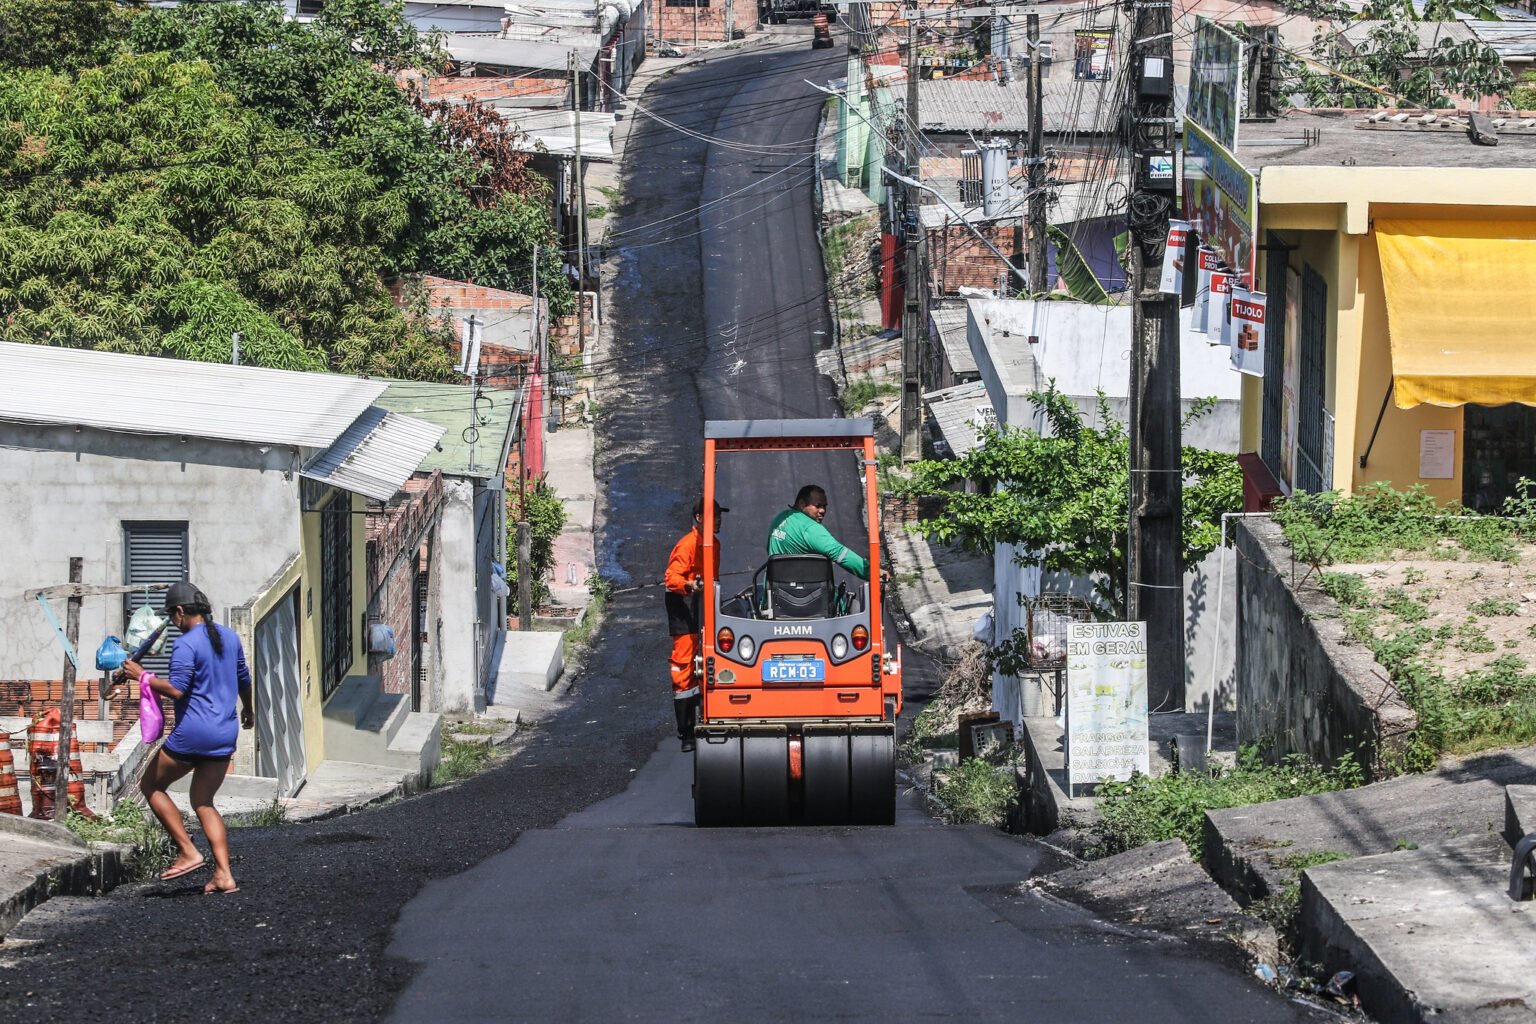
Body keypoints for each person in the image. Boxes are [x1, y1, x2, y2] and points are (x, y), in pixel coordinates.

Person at [122, 581, 253, 894]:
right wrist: (249, 710)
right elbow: (243, 678)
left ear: (180, 612)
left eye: (172, 615)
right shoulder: (230, 636)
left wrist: (142, 676)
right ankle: (224, 875)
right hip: (225, 731)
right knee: (203, 801)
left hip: (194, 732)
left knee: (151, 785)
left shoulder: (185, 644)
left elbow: (177, 689)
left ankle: (188, 851)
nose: (172, 622)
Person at [664, 496, 725, 752]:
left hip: (704, 605)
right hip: (684, 607)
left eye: (719, 516)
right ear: (699, 518)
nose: (719, 521)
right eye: (714, 516)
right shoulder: (687, 544)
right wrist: (689, 585)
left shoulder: (714, 545)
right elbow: (671, 578)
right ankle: (686, 730)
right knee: (684, 665)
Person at [766, 484, 869, 580]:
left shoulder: (779, 519)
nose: (822, 510)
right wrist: (873, 573)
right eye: (818, 506)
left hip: (774, 590)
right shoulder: (810, 528)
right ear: (802, 504)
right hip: (808, 591)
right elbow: (842, 555)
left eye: (824, 506)